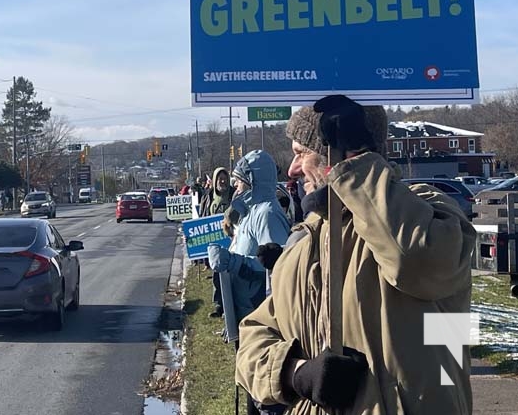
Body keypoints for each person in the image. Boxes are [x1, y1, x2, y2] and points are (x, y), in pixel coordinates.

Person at [235, 96, 476, 414]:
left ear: (340, 154)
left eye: (301, 153)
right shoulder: (302, 243)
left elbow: (417, 261)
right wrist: (295, 373)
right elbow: (252, 338)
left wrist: (357, 166)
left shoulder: (431, 211)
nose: (292, 170)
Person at [208, 150, 291, 415]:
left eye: (239, 182)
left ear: (253, 181)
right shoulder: (250, 213)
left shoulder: (267, 214)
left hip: (261, 321)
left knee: (262, 399)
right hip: (246, 317)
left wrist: (234, 263)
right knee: (250, 392)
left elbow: (279, 266)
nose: (235, 187)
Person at [199, 167, 236, 318]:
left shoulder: (235, 195)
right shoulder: (208, 197)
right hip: (215, 243)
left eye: (225, 178)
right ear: (214, 181)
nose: (223, 181)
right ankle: (219, 305)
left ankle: (232, 305)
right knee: (217, 275)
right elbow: (201, 220)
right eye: (220, 179)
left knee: (232, 273)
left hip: (232, 241)